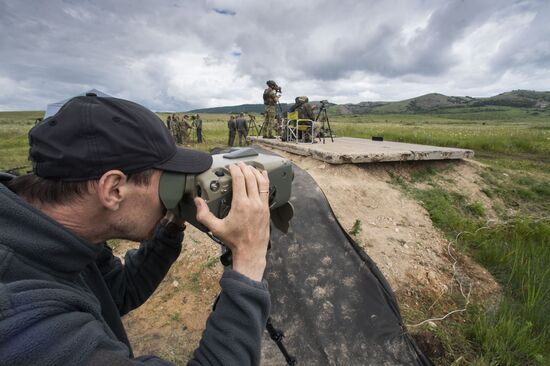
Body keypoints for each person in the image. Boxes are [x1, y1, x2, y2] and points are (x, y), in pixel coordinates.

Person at [0, 94, 271, 365]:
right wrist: (248, 259)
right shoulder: (26, 322)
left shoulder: (61, 231)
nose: (169, 194)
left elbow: (118, 291)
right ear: (114, 189)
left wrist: (172, 223)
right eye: (165, 180)